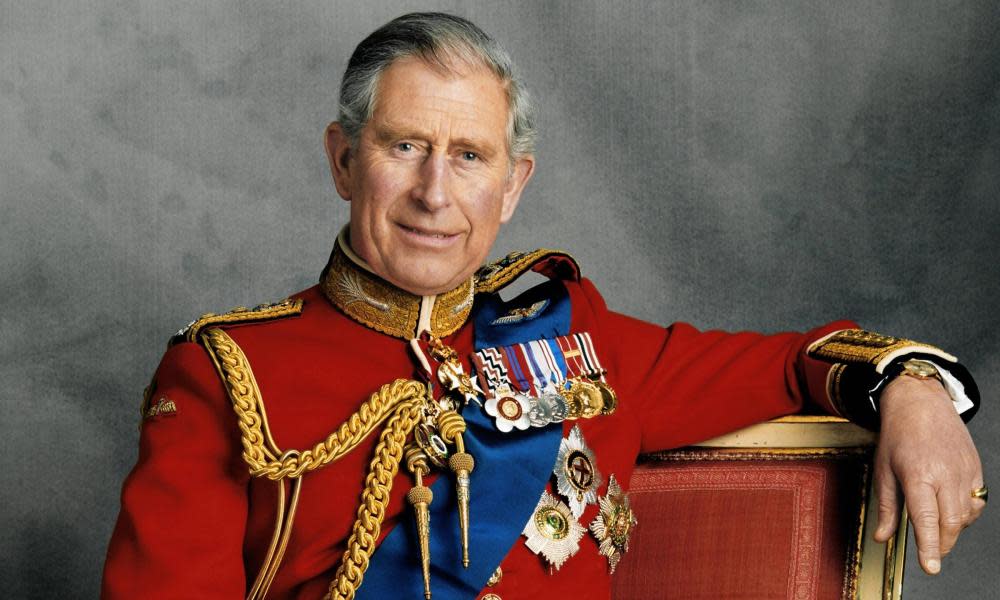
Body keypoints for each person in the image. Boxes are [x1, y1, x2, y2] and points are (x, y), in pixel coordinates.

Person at [102, 12, 986, 600]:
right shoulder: (231, 373)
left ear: (514, 185)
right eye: (405, 146)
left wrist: (909, 388)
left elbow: (797, 362)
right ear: (342, 160)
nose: (434, 193)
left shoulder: (580, 340)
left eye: (470, 156)